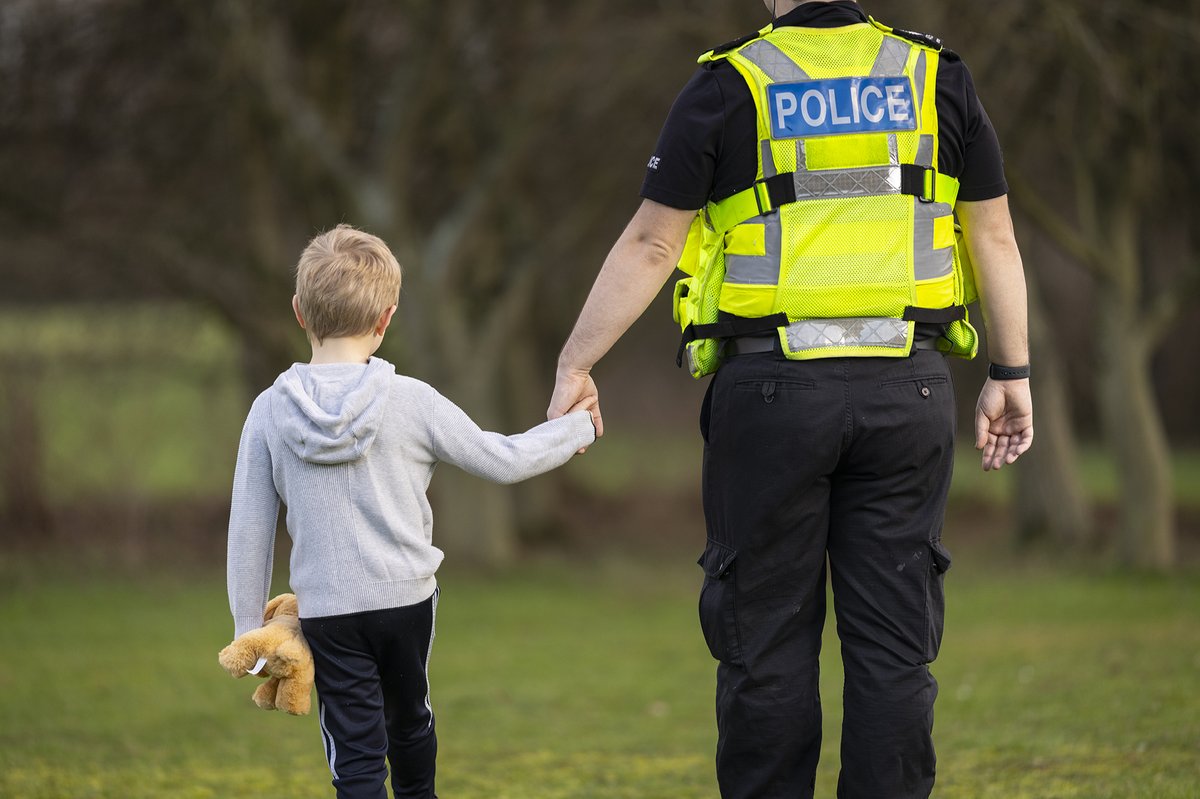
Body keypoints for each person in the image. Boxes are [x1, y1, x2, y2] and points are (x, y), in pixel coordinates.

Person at [547, 1, 1033, 797]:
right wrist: (1011, 373)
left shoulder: (728, 84)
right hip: (906, 390)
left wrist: (577, 360)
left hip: (771, 395)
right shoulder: (936, 77)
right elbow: (996, 237)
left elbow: (654, 242)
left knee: (765, 644)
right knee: (894, 650)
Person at [226, 224, 597, 799]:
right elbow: (502, 460)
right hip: (406, 602)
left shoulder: (269, 411)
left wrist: (248, 633)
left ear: (299, 311)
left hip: (329, 612)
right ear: (386, 319)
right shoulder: (414, 400)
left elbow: (249, 530)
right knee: (410, 718)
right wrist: (576, 427)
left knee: (354, 749)